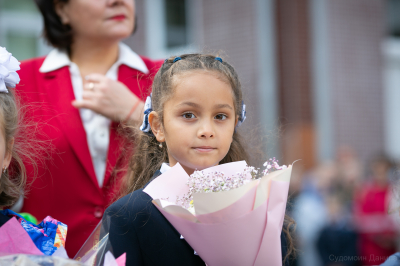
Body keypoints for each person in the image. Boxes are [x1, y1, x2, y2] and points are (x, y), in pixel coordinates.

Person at [104, 54, 294, 265]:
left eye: (220, 116)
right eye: (188, 115)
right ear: (158, 126)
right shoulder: (129, 215)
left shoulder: (258, 206)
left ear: (235, 123)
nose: (206, 131)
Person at [16, 0, 162, 256]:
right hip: (46, 259)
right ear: (60, 9)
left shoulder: (166, 78)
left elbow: (197, 162)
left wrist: (137, 113)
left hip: (144, 256)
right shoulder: (19, 83)